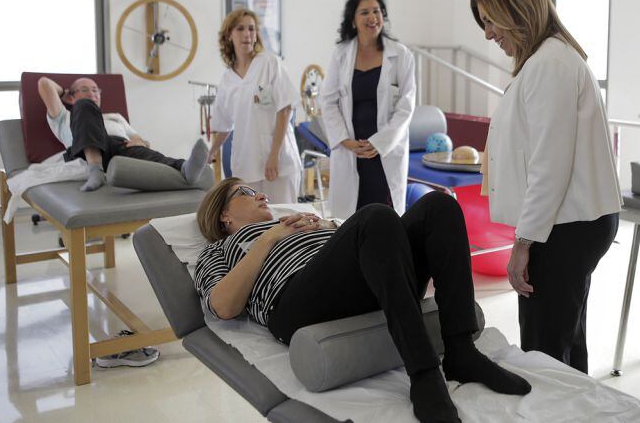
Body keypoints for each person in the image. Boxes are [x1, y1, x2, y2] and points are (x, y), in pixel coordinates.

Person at [195, 177, 532, 423]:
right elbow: (223, 307)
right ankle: (424, 373)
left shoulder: (298, 222)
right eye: (247, 192)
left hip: (365, 278)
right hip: (295, 303)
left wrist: (328, 227)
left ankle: (461, 352)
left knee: (439, 206)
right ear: (224, 215)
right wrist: (268, 239)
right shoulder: (218, 249)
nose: (261, 194)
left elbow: (366, 241)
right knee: (375, 215)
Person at [470, 0, 623, 374]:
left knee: (544, 354)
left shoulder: (550, 64)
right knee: (564, 345)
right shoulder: (547, 59)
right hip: (570, 222)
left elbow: (549, 165)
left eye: (490, 21)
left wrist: (523, 243)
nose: (487, 34)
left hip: (565, 226)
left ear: (516, 9)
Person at [319, 0, 416, 219]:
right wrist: (346, 141)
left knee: (384, 215)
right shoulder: (341, 55)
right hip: (351, 150)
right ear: (353, 19)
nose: (372, 18)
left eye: (377, 11)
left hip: (384, 151)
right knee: (349, 218)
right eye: (364, 12)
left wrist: (379, 143)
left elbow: (406, 105)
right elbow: (328, 101)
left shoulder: (401, 55)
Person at [38, 76, 208, 192]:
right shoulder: (65, 116)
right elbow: (44, 83)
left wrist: (141, 142)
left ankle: (185, 168)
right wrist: (64, 94)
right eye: (84, 90)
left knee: (146, 153)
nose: (92, 94)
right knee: (84, 105)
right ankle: (95, 170)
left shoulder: (115, 117)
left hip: (121, 148)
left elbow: (136, 137)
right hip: (84, 152)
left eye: (95, 90)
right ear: (70, 97)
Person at [207, 9, 302, 203]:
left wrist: (273, 155)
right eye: (240, 28)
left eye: (251, 28)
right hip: (246, 163)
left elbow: (285, 109)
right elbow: (224, 125)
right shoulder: (227, 79)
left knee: (285, 219)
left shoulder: (269, 63)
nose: (247, 34)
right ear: (229, 35)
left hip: (278, 160)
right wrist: (210, 152)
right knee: (253, 223)